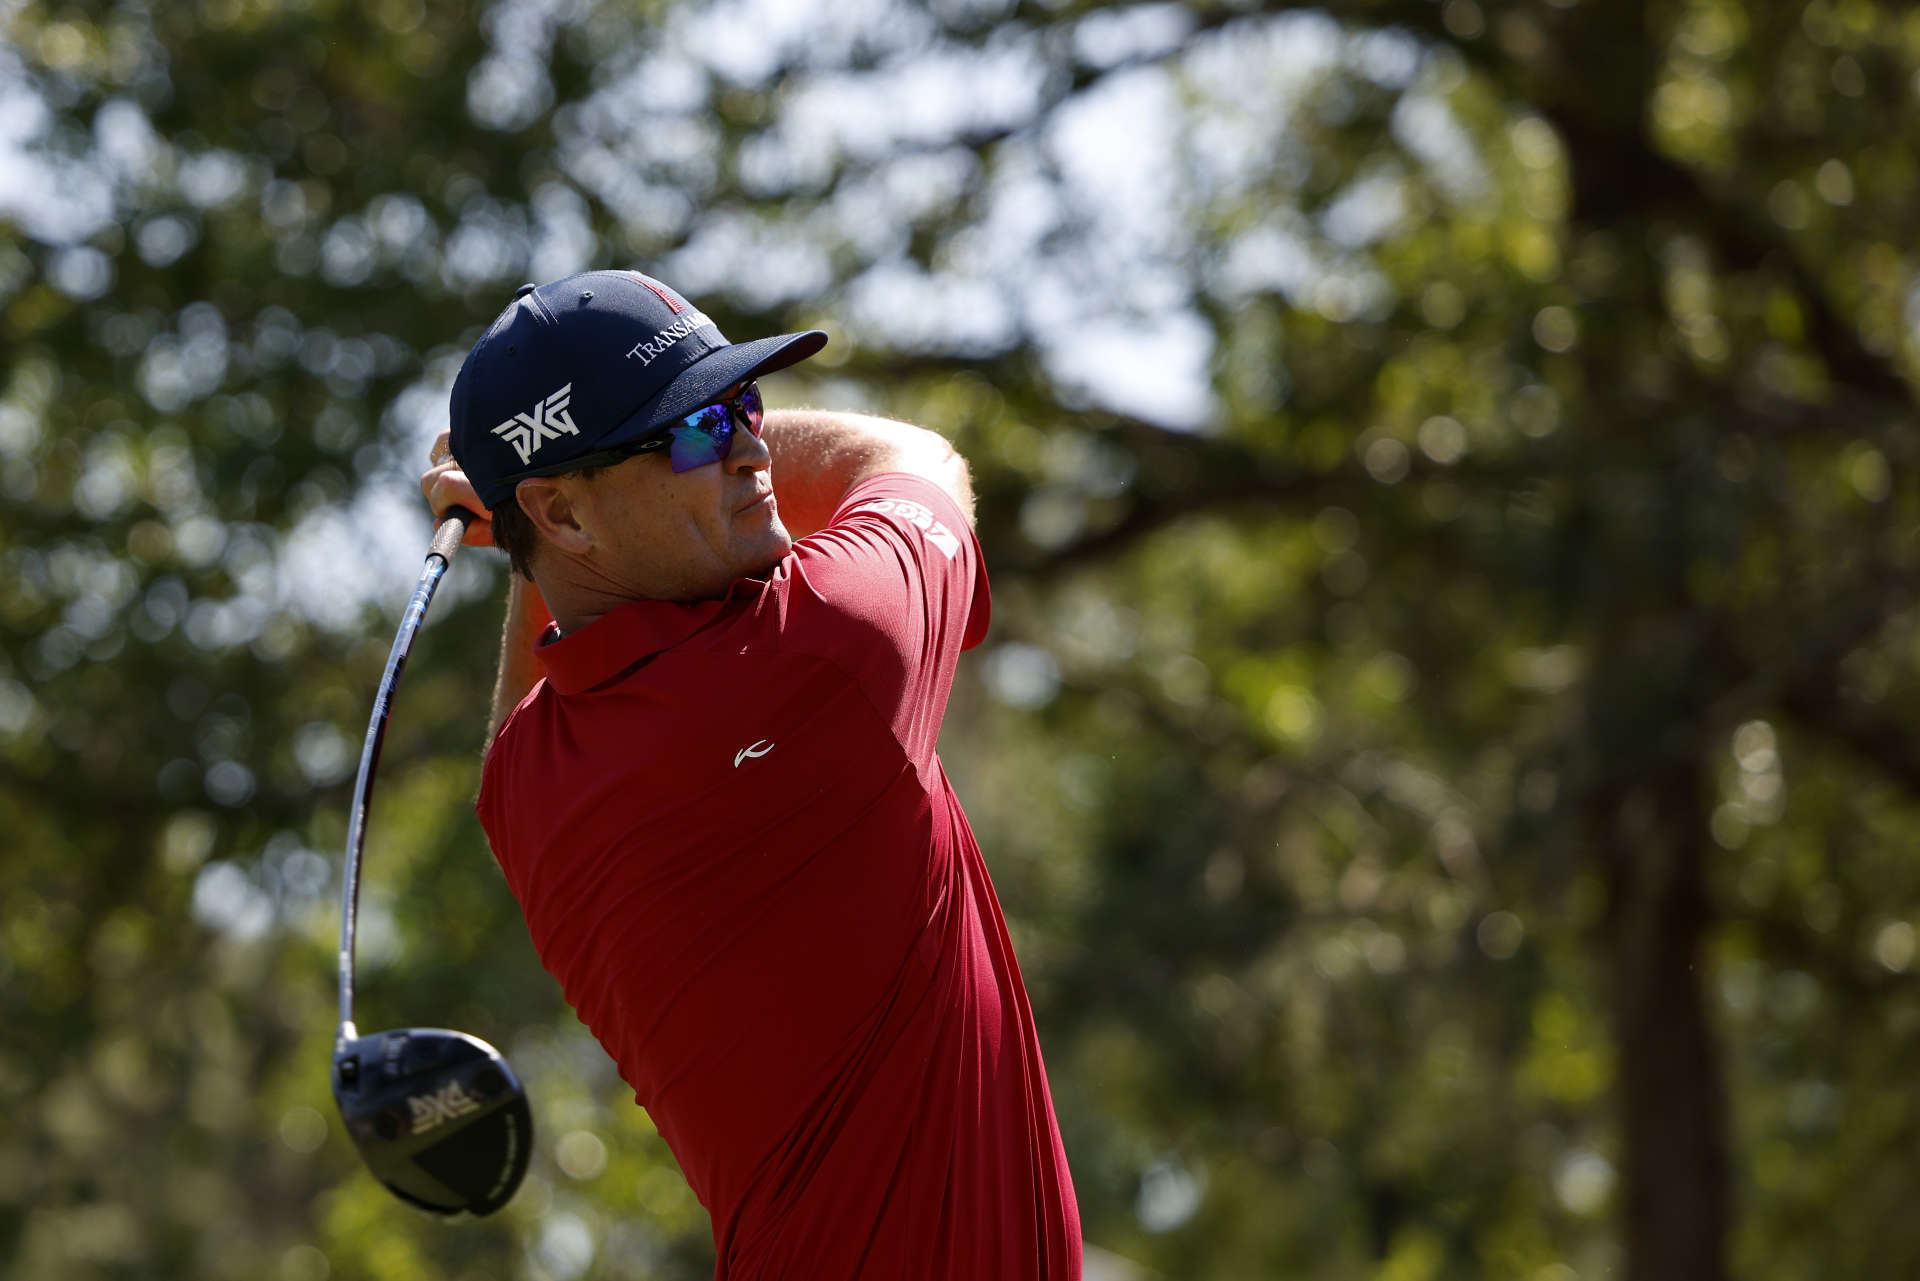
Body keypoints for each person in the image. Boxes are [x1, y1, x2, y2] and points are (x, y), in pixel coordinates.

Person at [419, 269, 1081, 1279]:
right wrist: (513, 513)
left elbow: (530, 679)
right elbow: (914, 458)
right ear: (568, 516)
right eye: (694, 430)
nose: (753, 448)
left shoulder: (527, 791)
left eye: (747, 404)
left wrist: (525, 528)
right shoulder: (822, 651)